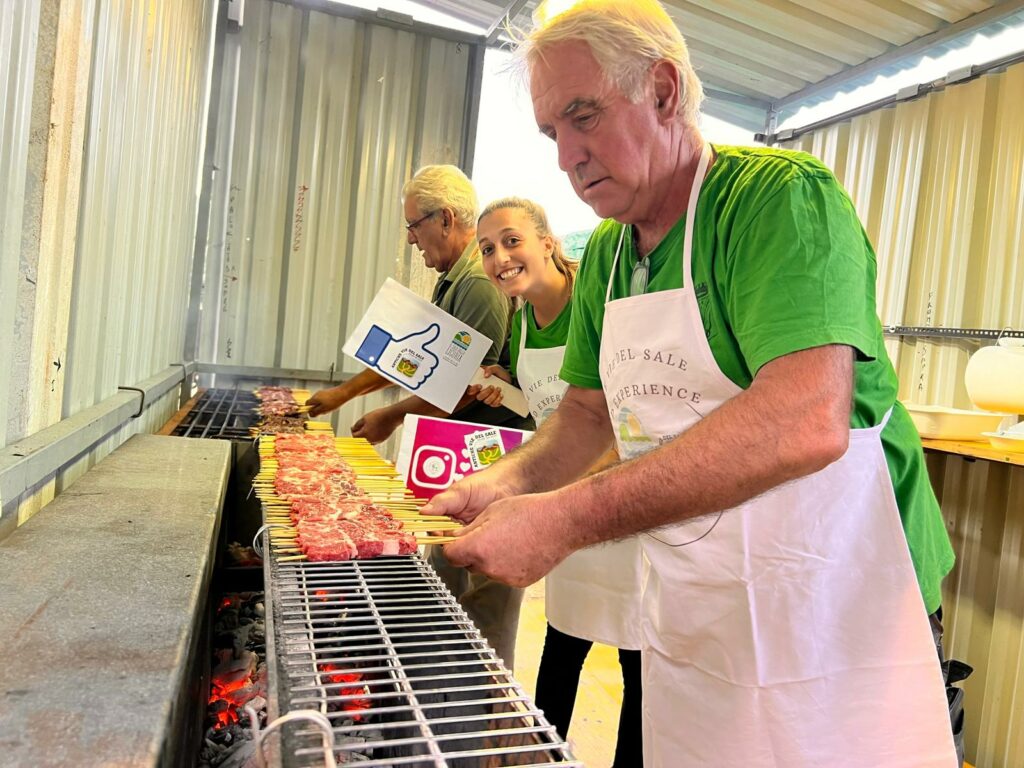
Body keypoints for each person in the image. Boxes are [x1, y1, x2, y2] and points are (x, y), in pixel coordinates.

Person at [423, 2, 958, 766]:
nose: (568, 156)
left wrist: (566, 519)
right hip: (704, 588)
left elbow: (806, 417)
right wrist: (504, 485)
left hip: (838, 589)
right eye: (553, 134)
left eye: (584, 117)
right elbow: (584, 415)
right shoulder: (608, 253)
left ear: (665, 92)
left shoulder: (776, 202)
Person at [308, 164, 530, 667]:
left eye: (414, 225)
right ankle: (446, 684)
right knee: (453, 579)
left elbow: (462, 389)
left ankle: (480, 706)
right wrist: (343, 394)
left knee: (483, 593)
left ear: (446, 218)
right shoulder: (454, 279)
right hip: (464, 464)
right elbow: (414, 359)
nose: (411, 240)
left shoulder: (476, 282)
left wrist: (391, 416)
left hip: (489, 459)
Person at [471, 197, 643, 764]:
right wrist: (507, 387)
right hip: (560, 497)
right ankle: (544, 753)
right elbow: (552, 411)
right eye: (489, 248)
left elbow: (613, 418)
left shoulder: (590, 303)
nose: (500, 257)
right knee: (564, 634)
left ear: (547, 241)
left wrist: (551, 490)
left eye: (512, 240)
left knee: (633, 651)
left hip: (615, 490)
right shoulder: (519, 319)